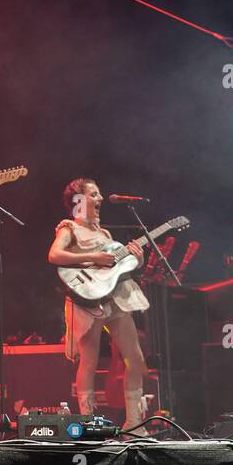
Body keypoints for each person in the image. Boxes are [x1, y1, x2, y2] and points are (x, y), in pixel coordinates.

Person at [47, 177, 149, 434]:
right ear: (79, 200)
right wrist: (93, 256)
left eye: (99, 194)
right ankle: (87, 422)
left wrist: (137, 259)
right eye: (94, 194)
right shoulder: (68, 228)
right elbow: (54, 255)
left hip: (113, 297)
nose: (100, 199)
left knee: (135, 359)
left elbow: (114, 269)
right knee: (89, 361)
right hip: (87, 300)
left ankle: (134, 423)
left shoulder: (105, 234)